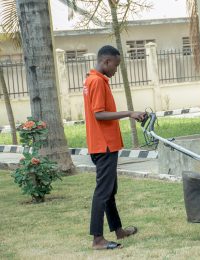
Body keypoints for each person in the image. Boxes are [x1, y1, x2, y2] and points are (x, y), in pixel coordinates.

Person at [83, 45, 146, 250]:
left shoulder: (92, 80)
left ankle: (118, 230)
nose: (116, 70)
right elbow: (98, 114)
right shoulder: (97, 82)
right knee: (103, 192)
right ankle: (97, 239)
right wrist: (129, 113)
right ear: (106, 62)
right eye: (116, 65)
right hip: (104, 145)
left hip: (102, 144)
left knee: (109, 190)